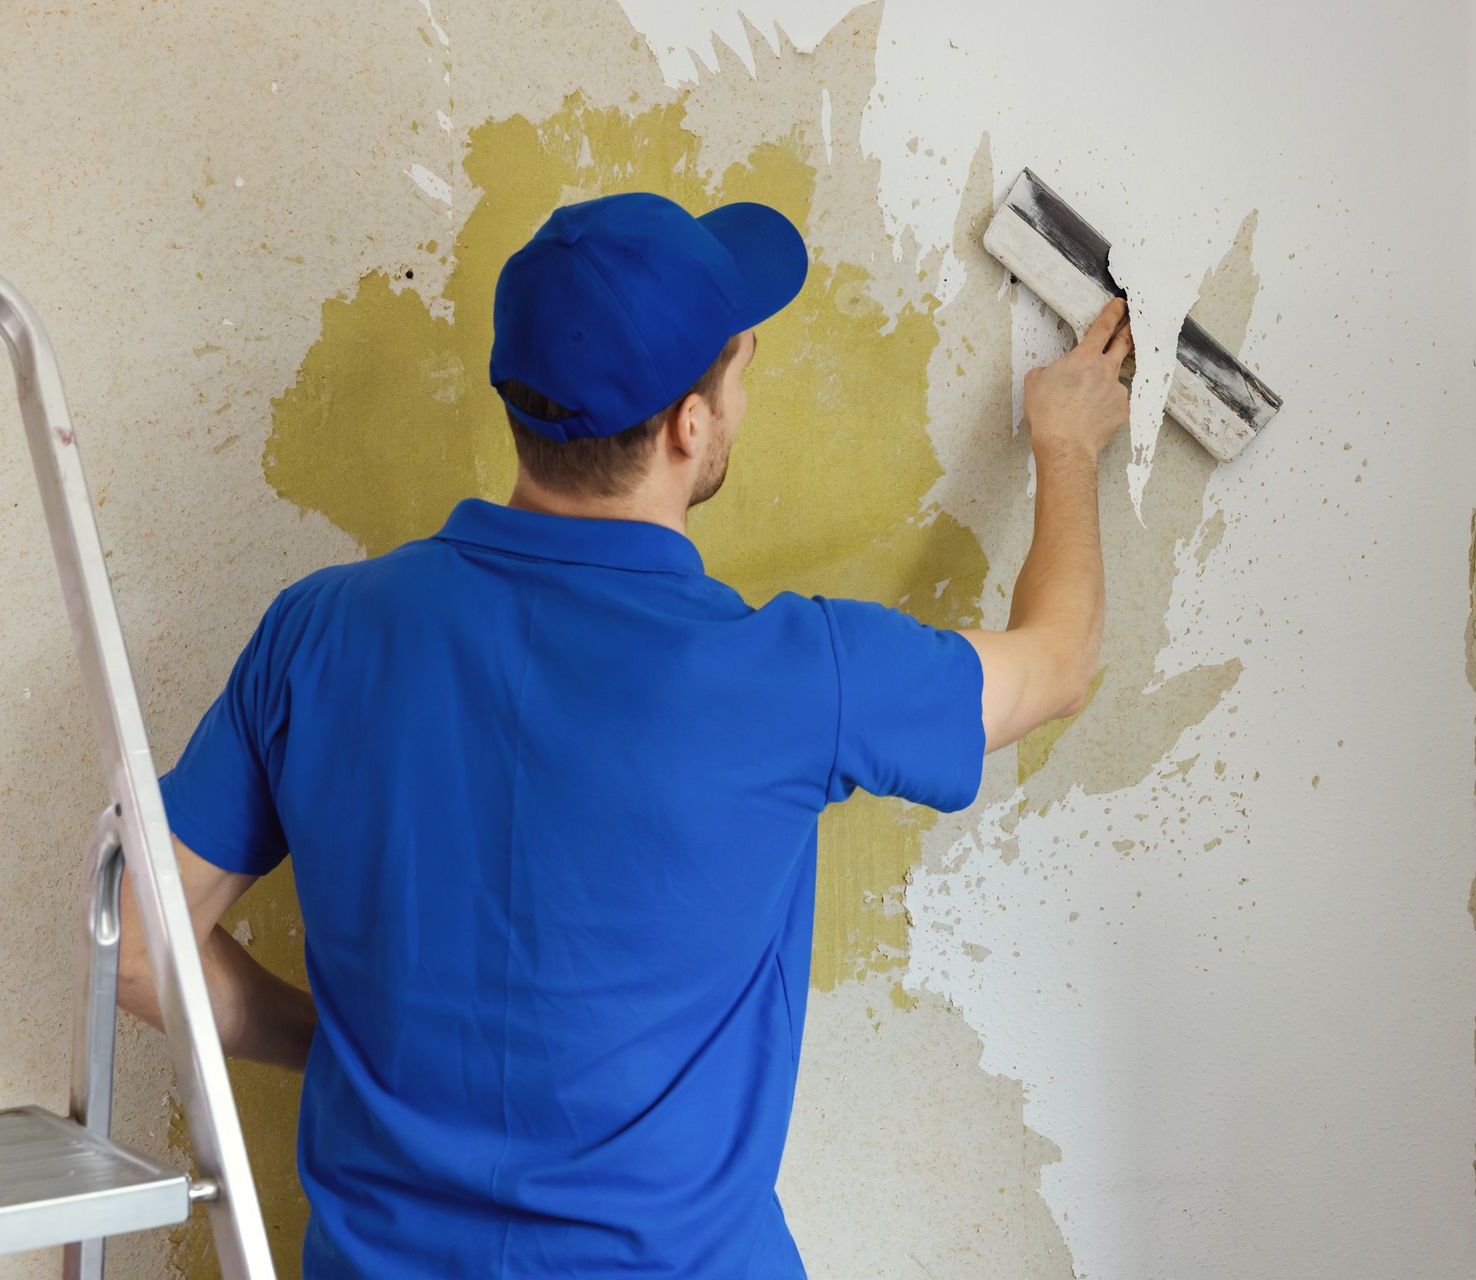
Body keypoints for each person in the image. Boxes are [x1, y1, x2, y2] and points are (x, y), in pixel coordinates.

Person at [118, 190, 1133, 1278]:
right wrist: (1065, 444)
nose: (743, 392)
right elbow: (1059, 661)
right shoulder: (796, 676)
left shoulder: (318, 634)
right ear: (691, 426)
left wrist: (336, 1047)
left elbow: (136, 948)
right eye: (741, 366)